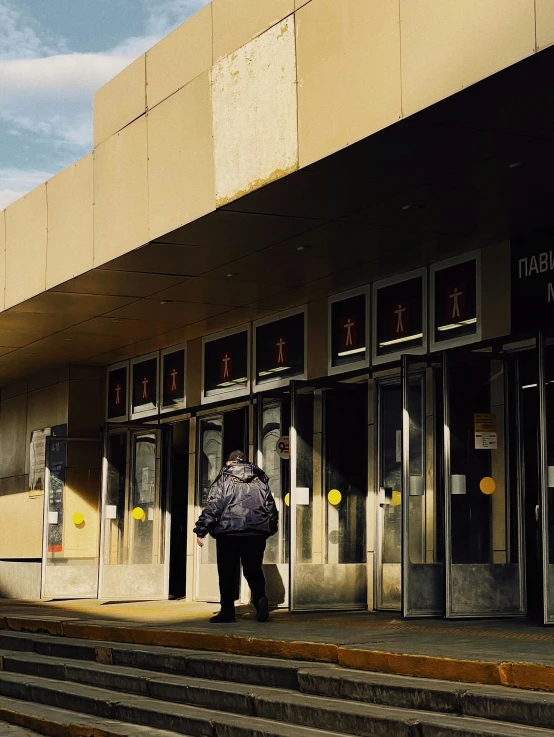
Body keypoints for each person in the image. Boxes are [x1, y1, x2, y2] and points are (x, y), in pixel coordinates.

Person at [194, 450, 278, 623]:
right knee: (253, 568)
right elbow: (270, 506)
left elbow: (214, 506)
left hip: (229, 533)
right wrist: (270, 528)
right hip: (256, 533)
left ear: (229, 463)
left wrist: (202, 528)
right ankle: (260, 598)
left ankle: (227, 611)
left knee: (227, 572)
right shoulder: (260, 480)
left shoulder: (224, 479)